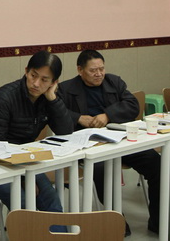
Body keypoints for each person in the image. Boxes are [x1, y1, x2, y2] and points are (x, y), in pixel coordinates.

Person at [58, 49, 161, 235]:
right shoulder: (66, 89)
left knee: (155, 162)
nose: (99, 74)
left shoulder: (114, 82)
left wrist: (108, 115)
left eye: (101, 69)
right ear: (80, 70)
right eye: (93, 70)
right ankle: (117, 221)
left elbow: (132, 105)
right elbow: (57, 115)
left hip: (119, 140)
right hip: (88, 146)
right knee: (101, 169)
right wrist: (79, 118)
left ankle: (158, 219)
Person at [0, 50, 72, 215]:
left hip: (25, 161)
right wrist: (24, 179)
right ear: (26, 71)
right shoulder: (5, 97)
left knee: (52, 202)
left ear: (54, 82)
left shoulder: (49, 97)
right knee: (24, 205)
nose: (36, 83)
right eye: (33, 75)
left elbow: (65, 131)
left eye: (44, 80)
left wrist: (52, 99)